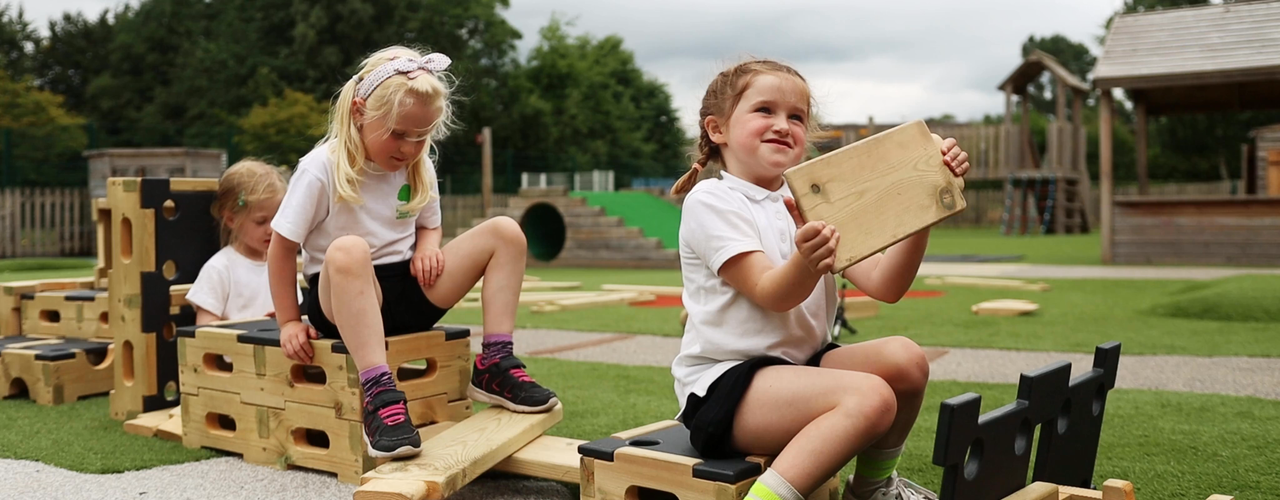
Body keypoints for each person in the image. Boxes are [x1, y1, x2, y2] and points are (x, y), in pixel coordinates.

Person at [669, 59, 970, 500]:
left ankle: (871, 490)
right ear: (718, 130)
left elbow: (887, 285)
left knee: (906, 360)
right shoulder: (712, 200)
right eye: (764, 110)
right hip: (725, 390)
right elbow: (773, 293)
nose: (783, 124)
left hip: (800, 368)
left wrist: (925, 203)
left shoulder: (809, 198)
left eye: (796, 117)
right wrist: (807, 261)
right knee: (871, 398)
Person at [266, 45, 559, 460]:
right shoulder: (321, 167)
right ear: (359, 113)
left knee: (506, 232)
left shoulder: (418, 164)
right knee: (349, 249)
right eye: (400, 133)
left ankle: (494, 363)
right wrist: (288, 321)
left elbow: (429, 222)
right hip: (341, 301)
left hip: (408, 289)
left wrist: (428, 246)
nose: (409, 147)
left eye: (422, 136)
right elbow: (281, 248)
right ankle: (379, 394)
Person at [186, 159, 301, 325]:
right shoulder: (219, 269)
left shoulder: (282, 264)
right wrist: (252, 326)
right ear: (231, 220)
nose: (271, 229)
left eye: (277, 219)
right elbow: (204, 330)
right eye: (261, 221)